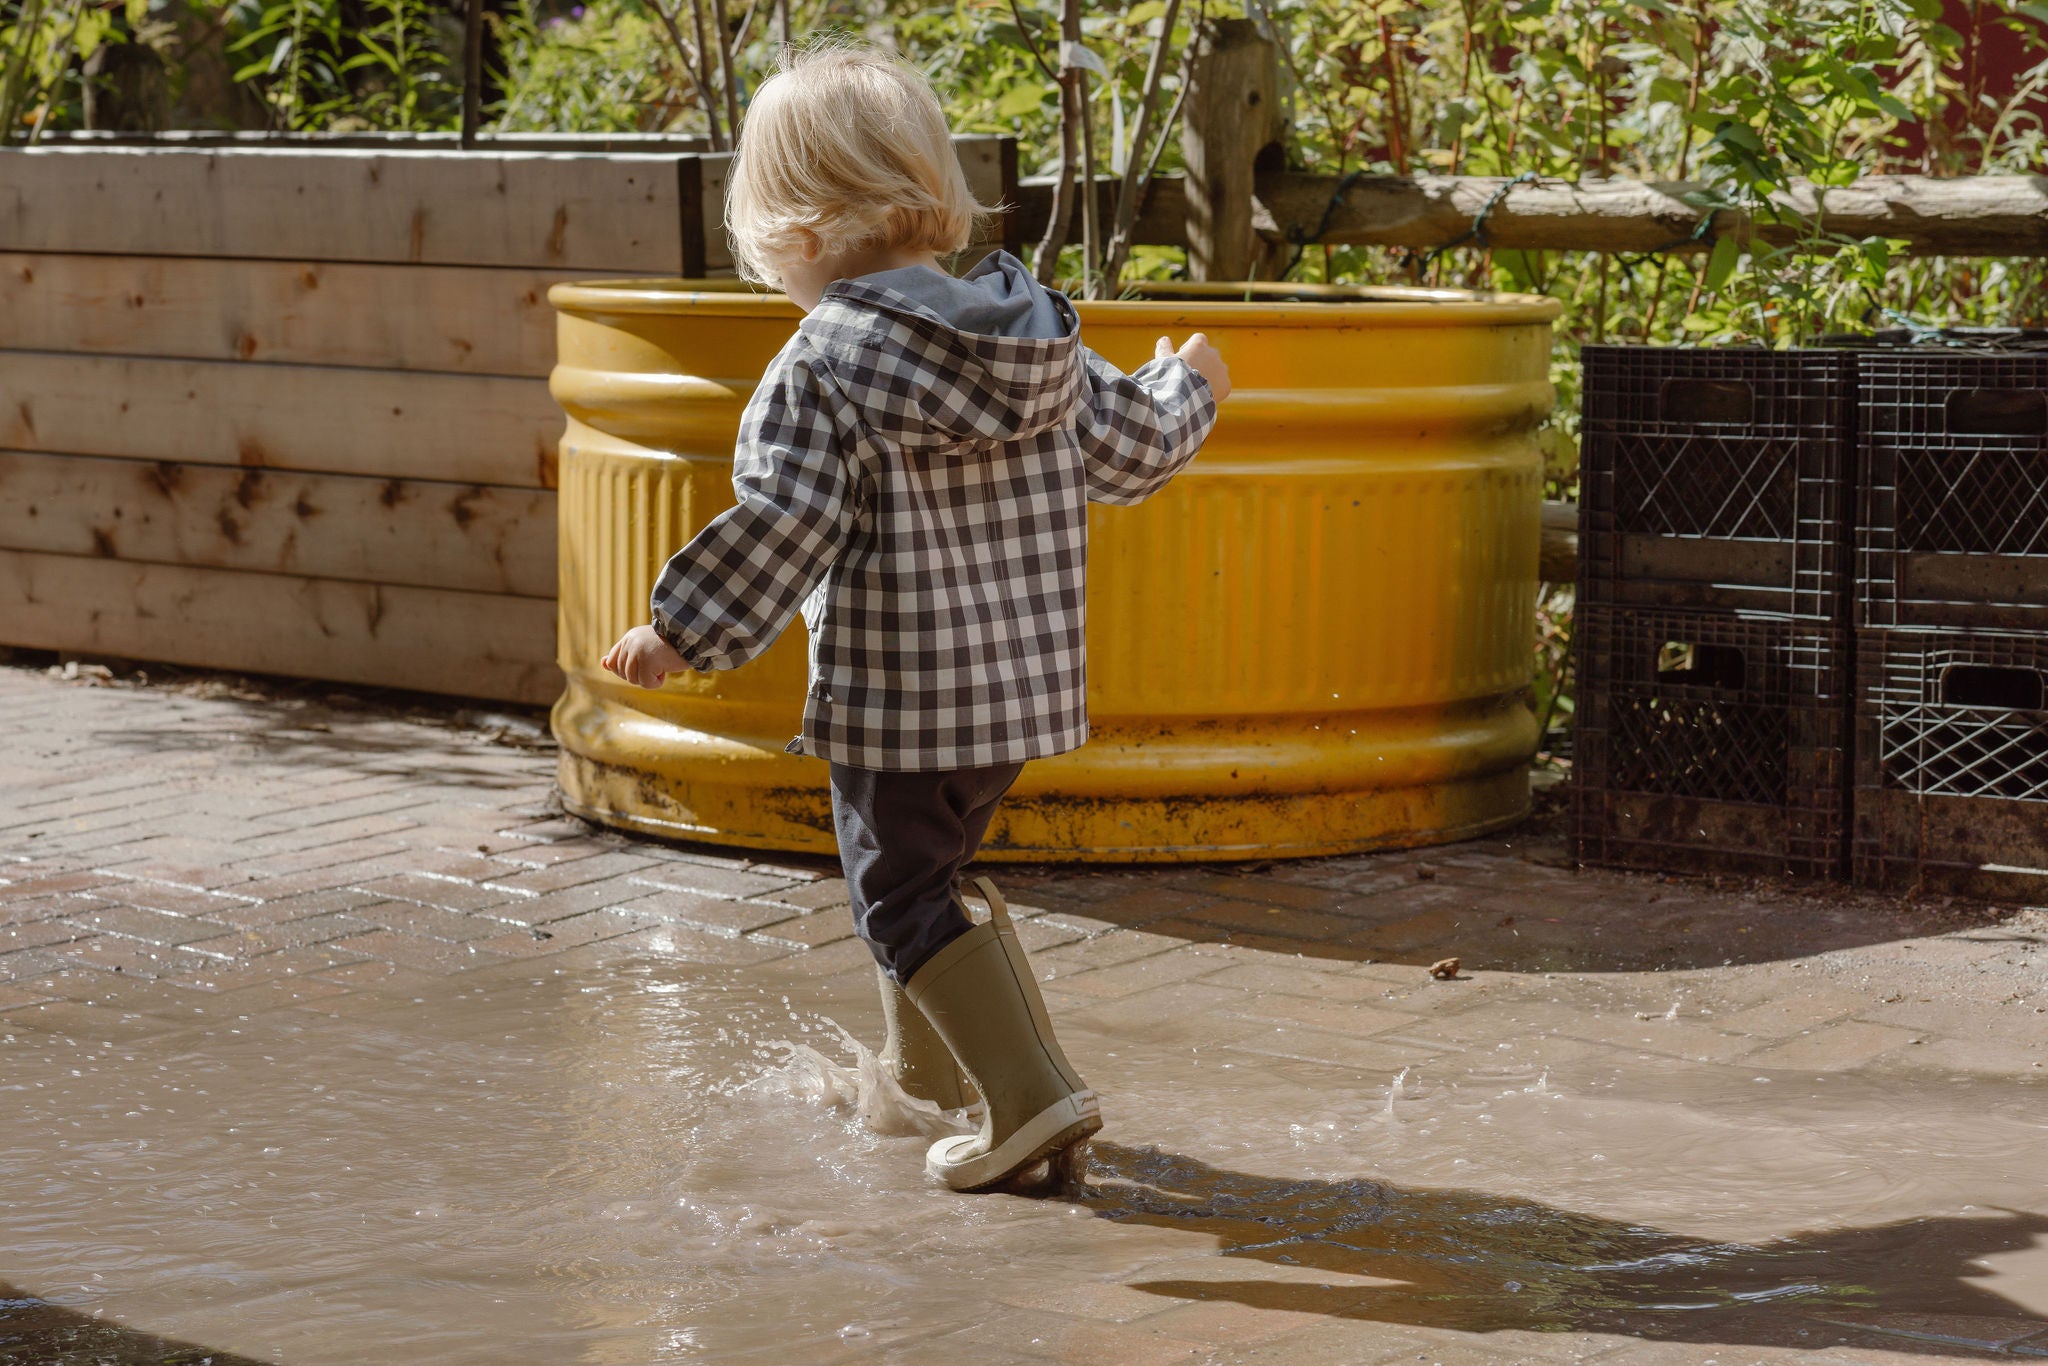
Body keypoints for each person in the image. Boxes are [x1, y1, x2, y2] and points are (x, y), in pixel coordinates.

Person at [601, 38, 1228, 1192]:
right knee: (926, 878)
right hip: (1019, 698)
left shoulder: (822, 364)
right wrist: (1191, 385)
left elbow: (783, 525)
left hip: (900, 704)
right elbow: (1129, 454)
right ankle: (927, 1081)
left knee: (894, 893)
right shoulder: (1032, 330)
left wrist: (680, 628)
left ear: (791, 234)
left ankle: (1031, 1101)